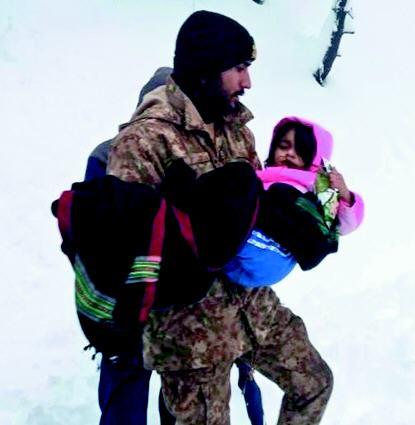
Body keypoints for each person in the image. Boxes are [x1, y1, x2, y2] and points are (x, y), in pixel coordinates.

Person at [108, 10, 333, 425]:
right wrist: (194, 222)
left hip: (253, 309)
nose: (248, 82)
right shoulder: (145, 141)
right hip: (192, 338)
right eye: (239, 68)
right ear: (207, 67)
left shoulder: (237, 130)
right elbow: (124, 254)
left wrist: (299, 227)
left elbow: (256, 211)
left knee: (314, 383)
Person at [86, 66, 264, 425]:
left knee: (140, 389)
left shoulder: (115, 151)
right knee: (145, 388)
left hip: (153, 304)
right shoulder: (123, 151)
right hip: (145, 302)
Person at [224, 116, 364, 287]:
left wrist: (345, 195)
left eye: (301, 151)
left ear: (315, 158)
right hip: (242, 261)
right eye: (284, 146)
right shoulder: (263, 176)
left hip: (274, 255)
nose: (290, 153)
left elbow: (345, 224)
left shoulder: (315, 185)